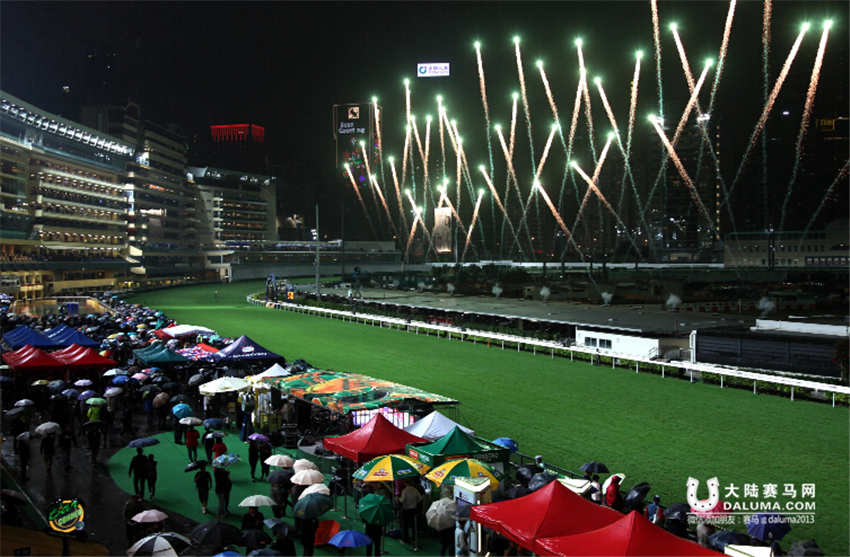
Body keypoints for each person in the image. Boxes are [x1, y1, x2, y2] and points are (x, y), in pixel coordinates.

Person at [399, 479, 423, 545]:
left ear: (405, 483)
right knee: (414, 525)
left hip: (406, 510)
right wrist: (415, 502)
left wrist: (398, 499)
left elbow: (402, 500)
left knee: (405, 525)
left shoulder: (404, 490)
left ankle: (405, 539)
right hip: (414, 510)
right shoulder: (415, 490)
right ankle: (414, 539)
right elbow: (420, 499)